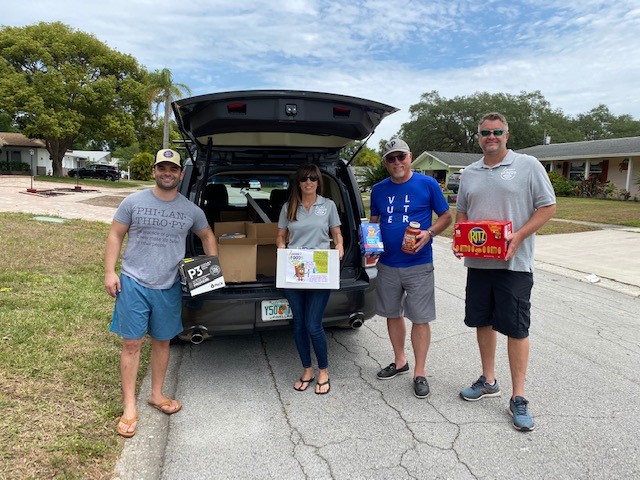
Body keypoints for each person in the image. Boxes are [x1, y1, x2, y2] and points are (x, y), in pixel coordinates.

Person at [105, 149, 218, 438]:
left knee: (163, 342)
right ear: (155, 171)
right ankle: (129, 406)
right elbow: (116, 234)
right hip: (133, 283)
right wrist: (109, 271)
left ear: (181, 174)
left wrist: (211, 270)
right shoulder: (133, 201)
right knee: (131, 344)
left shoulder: (191, 210)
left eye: (173, 169)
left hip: (168, 285)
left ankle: (156, 394)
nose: (167, 173)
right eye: (162, 168)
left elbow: (207, 236)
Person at [454, 112, 556, 431]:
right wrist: (459, 239)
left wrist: (521, 235)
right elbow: (462, 212)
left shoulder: (528, 166)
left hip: (515, 265)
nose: (491, 136)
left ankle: (519, 397)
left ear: (507, 134)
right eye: (485, 132)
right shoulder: (469, 173)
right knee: (482, 321)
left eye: (497, 131)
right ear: (479, 136)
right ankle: (488, 380)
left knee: (516, 328)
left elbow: (548, 206)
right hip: (479, 264)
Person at [370, 139, 452, 398]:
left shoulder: (427, 184)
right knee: (392, 314)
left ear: (410, 157)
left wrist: (429, 234)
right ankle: (400, 360)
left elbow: (447, 216)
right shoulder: (378, 190)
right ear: (386, 163)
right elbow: (374, 221)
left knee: (420, 318)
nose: (397, 162)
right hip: (387, 264)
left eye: (401, 157)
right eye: (391, 158)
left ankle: (420, 372)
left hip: (419, 264)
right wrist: (370, 243)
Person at [276, 164, 343, 395]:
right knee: (299, 324)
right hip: (294, 269)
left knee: (313, 324)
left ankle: (323, 369)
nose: (309, 182)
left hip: (320, 271)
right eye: (304, 179)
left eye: (313, 178)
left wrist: (340, 246)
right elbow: (281, 234)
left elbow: (336, 233)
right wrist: (281, 245)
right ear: (299, 182)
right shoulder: (289, 207)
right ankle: (307, 369)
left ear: (318, 182)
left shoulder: (328, 205)